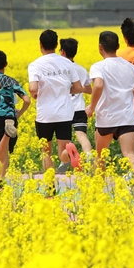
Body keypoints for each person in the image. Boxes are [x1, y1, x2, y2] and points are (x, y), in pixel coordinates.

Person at [86, 31, 134, 174]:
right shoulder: (130, 67)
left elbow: (99, 85)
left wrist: (91, 107)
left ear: (100, 47)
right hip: (127, 119)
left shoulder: (98, 67)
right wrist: (125, 93)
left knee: (100, 156)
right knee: (130, 155)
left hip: (106, 119)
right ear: (118, 46)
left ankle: (98, 190)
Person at [28, 29, 84, 173]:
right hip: (65, 113)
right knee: (62, 152)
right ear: (56, 44)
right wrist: (64, 90)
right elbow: (78, 87)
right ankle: (69, 154)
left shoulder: (35, 64)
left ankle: (50, 186)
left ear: (40, 45)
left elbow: (33, 88)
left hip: (45, 115)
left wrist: (35, 93)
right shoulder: (67, 63)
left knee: (46, 152)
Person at [0, 50, 31, 178]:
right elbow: (27, 100)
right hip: (10, 116)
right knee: (5, 150)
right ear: (6, 64)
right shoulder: (11, 81)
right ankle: (1, 179)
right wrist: (19, 113)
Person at [60, 37, 93, 158]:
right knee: (81, 136)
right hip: (79, 108)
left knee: (64, 139)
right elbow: (89, 90)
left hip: (63, 109)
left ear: (62, 51)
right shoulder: (82, 69)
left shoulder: (60, 70)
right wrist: (79, 89)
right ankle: (89, 155)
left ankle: (67, 161)